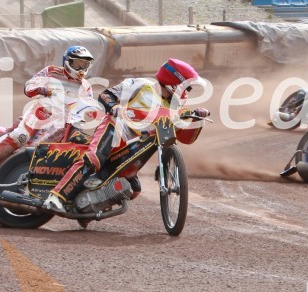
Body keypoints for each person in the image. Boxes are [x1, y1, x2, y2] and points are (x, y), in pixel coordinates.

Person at [43, 59, 209, 213]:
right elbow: (106, 95)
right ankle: (56, 197)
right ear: (175, 81)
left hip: (134, 145)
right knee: (94, 159)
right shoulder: (142, 85)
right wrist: (114, 106)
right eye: (187, 87)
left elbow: (186, 138)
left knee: (133, 188)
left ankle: (86, 208)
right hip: (117, 127)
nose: (187, 92)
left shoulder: (175, 106)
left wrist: (197, 118)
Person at [0, 46, 98, 219]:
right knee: (21, 136)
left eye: (85, 65)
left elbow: (90, 105)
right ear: (67, 62)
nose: (81, 68)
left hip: (61, 124)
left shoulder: (85, 86)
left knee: (48, 154)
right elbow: (30, 85)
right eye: (77, 64)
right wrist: (41, 89)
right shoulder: (52, 72)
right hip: (40, 113)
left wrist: (95, 112)